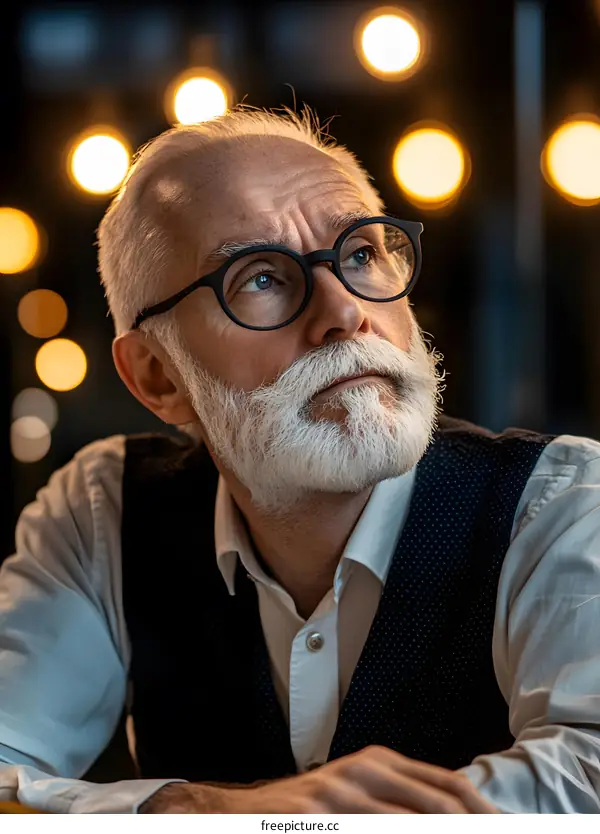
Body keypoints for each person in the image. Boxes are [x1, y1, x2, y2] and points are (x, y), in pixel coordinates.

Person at [0, 107, 599, 815]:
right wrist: (205, 811)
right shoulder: (106, 511)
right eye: (259, 277)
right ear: (158, 375)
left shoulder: (558, 503)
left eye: (360, 255)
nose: (344, 312)